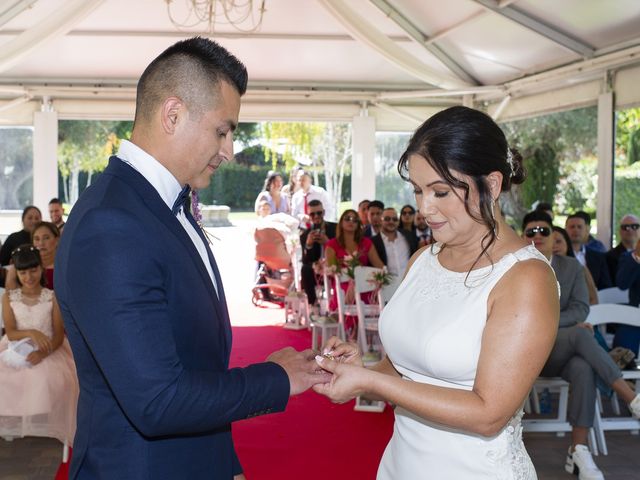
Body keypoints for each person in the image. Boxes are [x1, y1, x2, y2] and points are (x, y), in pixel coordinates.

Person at [54, 37, 327, 480]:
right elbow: (157, 400)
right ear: (173, 114)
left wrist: (222, 463)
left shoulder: (158, 204)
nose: (230, 150)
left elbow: (194, 364)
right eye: (223, 130)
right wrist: (275, 378)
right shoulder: (112, 223)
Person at [314, 106, 560, 479]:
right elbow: (402, 372)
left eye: (440, 191)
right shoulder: (422, 259)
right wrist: (361, 368)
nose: (424, 207)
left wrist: (370, 382)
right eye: (417, 190)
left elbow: (488, 414)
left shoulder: (526, 279)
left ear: (491, 185)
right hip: (401, 464)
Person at [523, 210, 640, 479]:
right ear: (523, 237)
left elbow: (581, 309)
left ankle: (579, 451)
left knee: (582, 367)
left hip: (561, 351)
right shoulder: (515, 268)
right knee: (580, 335)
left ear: (554, 236)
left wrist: (550, 322)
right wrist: (558, 323)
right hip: (528, 352)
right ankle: (629, 396)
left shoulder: (571, 267)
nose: (537, 236)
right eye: (531, 232)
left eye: (543, 231)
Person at [0, 245, 78, 446]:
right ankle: (11, 424)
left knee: (52, 378)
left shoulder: (51, 297)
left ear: (41, 268)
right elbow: (10, 331)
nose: (28, 277)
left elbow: (59, 335)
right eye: (23, 272)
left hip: (50, 348)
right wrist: (31, 332)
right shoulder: (9, 297)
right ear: (16, 272)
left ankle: (51, 426)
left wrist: (43, 353)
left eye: (33, 270)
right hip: (15, 347)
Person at [325, 209, 384, 314]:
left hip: (364, 284)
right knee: (347, 288)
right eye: (347, 219)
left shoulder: (366, 243)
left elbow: (379, 266)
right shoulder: (332, 244)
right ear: (341, 222)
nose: (351, 222)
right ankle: (350, 324)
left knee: (369, 288)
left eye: (355, 220)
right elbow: (331, 269)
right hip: (342, 285)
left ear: (358, 224)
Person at [300, 200, 336, 306]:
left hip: (335, 266)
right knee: (305, 269)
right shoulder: (305, 234)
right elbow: (306, 261)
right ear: (309, 216)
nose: (316, 216)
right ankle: (313, 305)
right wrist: (309, 245)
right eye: (312, 214)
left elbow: (342, 250)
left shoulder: (335, 229)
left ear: (324, 213)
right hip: (318, 272)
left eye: (319, 213)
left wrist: (328, 243)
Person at [552, 225, 598, 305]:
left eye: (558, 241)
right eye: (550, 242)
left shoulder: (580, 268)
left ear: (567, 243)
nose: (554, 246)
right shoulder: (541, 270)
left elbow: (594, 299)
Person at [566, 212, 612, 289]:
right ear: (565, 230)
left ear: (587, 230)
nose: (576, 230)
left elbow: (606, 287)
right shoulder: (560, 256)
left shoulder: (599, 257)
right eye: (572, 227)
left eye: (579, 227)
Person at [371, 207, 418, 277]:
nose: (391, 222)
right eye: (387, 219)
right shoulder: (373, 242)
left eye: (395, 219)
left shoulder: (409, 236)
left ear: (398, 221)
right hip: (386, 285)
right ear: (381, 221)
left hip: (409, 283)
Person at [606, 214, 640, 284]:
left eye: (635, 226)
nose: (630, 230)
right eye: (625, 227)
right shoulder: (608, 257)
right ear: (620, 231)